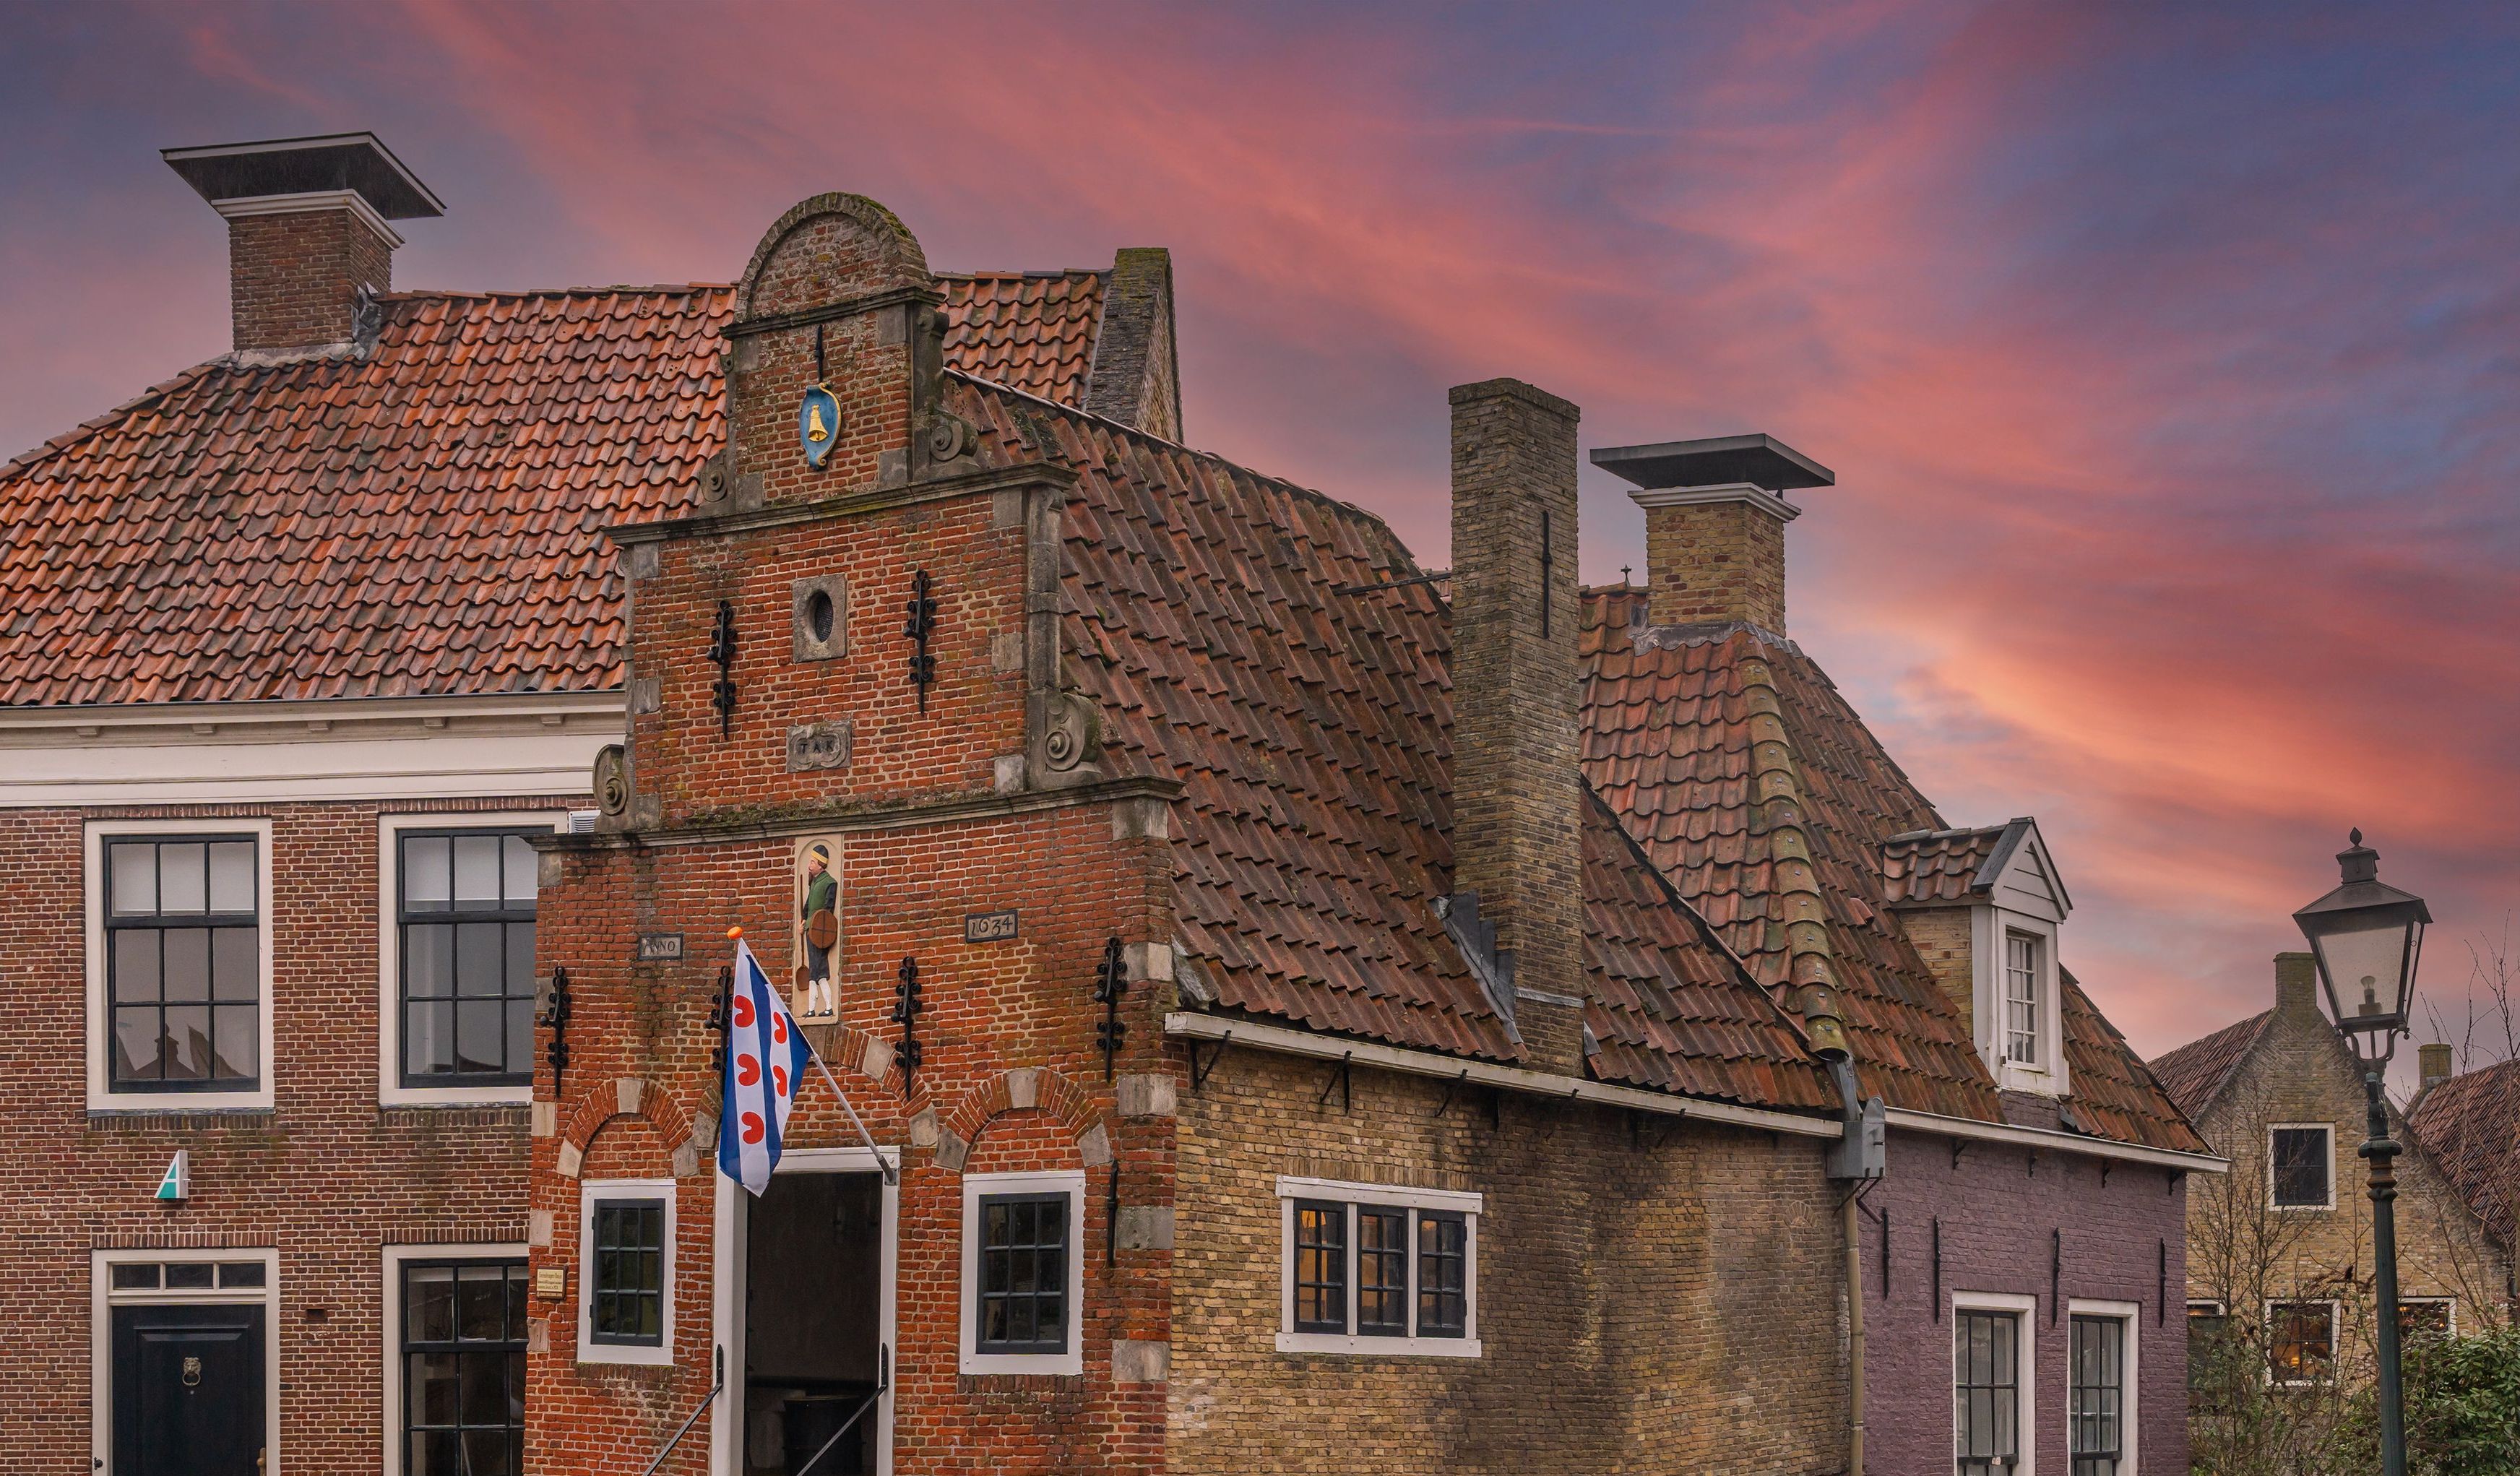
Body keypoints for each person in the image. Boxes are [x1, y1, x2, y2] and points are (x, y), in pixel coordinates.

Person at [799, 842, 838, 1017]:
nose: (809, 866)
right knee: (814, 971)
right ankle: (811, 1009)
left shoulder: (829, 883)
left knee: (819, 972)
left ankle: (828, 1006)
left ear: (821, 865)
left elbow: (827, 912)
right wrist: (804, 921)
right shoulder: (814, 883)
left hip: (820, 932)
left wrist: (813, 925)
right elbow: (808, 907)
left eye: (813, 863)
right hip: (811, 930)